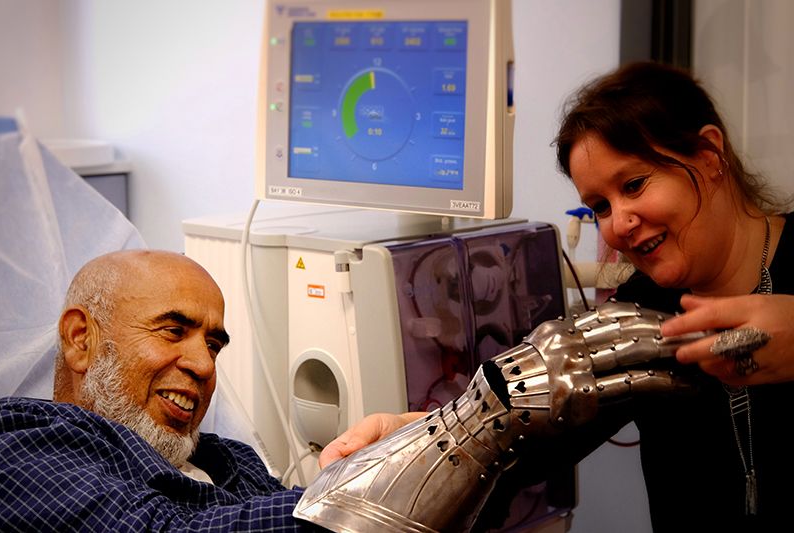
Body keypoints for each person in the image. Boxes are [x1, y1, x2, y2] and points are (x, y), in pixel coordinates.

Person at [318, 62, 794, 532]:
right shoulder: (641, 310)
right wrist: (406, 432)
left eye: (634, 185)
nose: (620, 223)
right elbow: (520, 431)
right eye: (601, 206)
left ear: (709, 155)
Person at [0, 249, 323, 531]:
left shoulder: (232, 460)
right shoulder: (18, 448)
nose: (205, 365)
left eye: (212, 345)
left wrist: (362, 466)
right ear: (81, 338)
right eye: (174, 331)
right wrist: (347, 501)